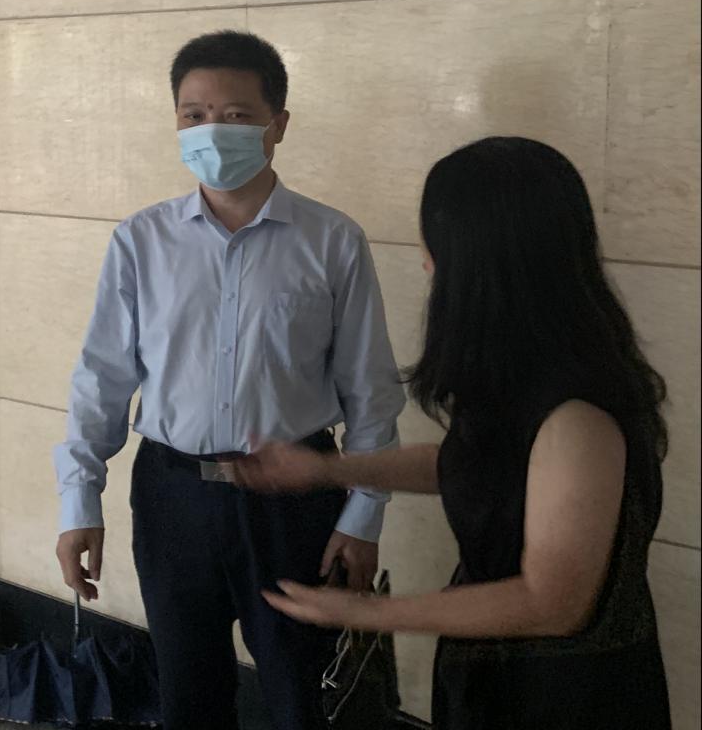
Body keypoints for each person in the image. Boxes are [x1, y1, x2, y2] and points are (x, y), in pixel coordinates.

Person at [234, 137, 672, 730]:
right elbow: (474, 465)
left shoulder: (578, 419)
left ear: (482, 266)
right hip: (495, 683)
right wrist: (327, 469)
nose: (425, 265)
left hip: (563, 699)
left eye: (435, 250)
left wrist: (366, 613)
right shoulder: (527, 373)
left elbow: (553, 602)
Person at [54, 31, 405, 730]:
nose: (212, 131)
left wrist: (363, 516)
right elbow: (101, 380)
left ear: (278, 124)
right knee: (189, 696)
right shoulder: (141, 240)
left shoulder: (332, 240)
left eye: (237, 115)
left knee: (304, 695)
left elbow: (371, 392)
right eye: (194, 115)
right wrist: (79, 500)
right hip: (173, 496)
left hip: (294, 501)